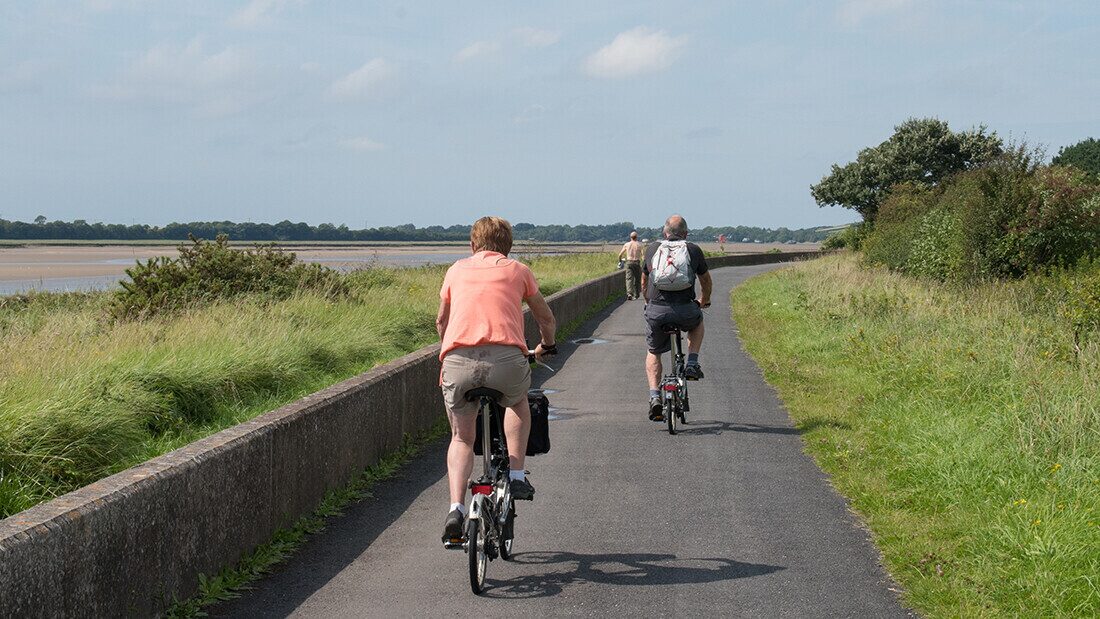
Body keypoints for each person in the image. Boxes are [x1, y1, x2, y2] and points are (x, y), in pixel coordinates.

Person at [436, 216, 557, 543]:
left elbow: (441, 321)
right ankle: (516, 475)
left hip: (458, 362)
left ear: (473, 244)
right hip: (506, 359)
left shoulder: (455, 271)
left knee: (461, 438)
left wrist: (448, 353)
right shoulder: (518, 270)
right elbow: (546, 318)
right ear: (508, 246)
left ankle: (456, 509)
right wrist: (546, 345)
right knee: (518, 401)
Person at [641, 215, 712, 421]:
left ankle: (655, 396)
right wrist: (703, 300)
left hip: (657, 311)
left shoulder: (653, 248)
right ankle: (692, 362)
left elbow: (644, 281)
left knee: (653, 351)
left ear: (665, 233)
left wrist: (647, 301)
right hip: (685, 309)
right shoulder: (692, 249)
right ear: (686, 234)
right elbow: (706, 280)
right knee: (697, 322)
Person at [617, 231, 644, 300]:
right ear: (636, 237)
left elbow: (620, 254)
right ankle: (637, 294)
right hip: (637, 262)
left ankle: (629, 293)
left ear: (630, 237)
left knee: (629, 279)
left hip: (629, 262)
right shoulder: (639, 245)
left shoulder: (627, 244)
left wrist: (620, 261)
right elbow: (643, 256)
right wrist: (643, 263)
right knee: (637, 279)